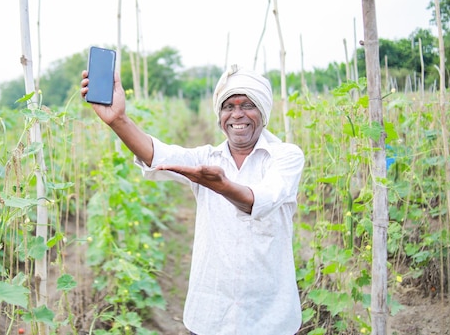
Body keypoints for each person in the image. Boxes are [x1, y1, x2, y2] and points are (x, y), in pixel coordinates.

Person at [80, 64, 305, 335]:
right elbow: (156, 155)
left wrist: (222, 186)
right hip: (211, 314)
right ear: (219, 115)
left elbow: (261, 199)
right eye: (227, 107)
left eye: (248, 105)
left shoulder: (286, 157)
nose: (237, 115)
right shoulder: (206, 159)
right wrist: (118, 119)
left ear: (263, 112)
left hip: (269, 317)